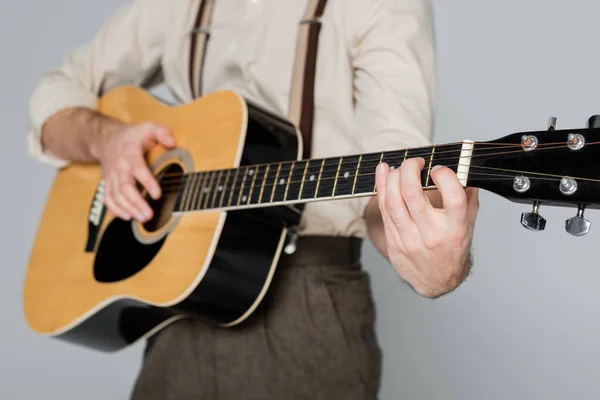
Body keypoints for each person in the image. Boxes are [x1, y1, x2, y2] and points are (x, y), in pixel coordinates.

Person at [26, 0, 479, 398]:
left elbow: (392, 171)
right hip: (181, 309)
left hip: (308, 310)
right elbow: (54, 96)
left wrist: (435, 263)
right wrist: (106, 139)